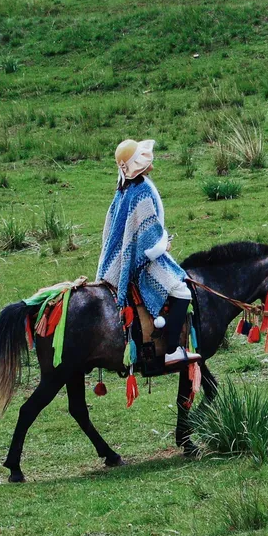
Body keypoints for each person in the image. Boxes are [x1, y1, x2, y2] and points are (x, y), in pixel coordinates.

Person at [96, 138, 200, 367]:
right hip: (142, 262)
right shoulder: (141, 191)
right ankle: (172, 349)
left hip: (122, 260)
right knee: (182, 291)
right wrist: (164, 243)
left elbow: (113, 232)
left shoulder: (122, 191)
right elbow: (149, 237)